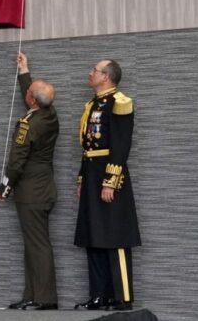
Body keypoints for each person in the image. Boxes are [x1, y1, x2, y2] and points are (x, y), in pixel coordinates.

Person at [74, 59, 141, 311]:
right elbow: (88, 147)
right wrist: (83, 178)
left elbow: (121, 146)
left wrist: (110, 182)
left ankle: (122, 297)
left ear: (107, 77)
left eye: (94, 70)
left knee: (115, 237)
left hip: (110, 177)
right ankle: (99, 295)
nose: (90, 73)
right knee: (93, 236)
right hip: (92, 175)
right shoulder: (93, 104)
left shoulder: (120, 102)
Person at [0, 51, 59, 311]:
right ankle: (32, 294)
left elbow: (17, 161)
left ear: (31, 100)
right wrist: (25, 72)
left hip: (30, 193)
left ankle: (45, 299)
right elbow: (35, 97)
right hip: (44, 190)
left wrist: (5, 187)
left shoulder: (27, 125)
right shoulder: (50, 114)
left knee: (38, 246)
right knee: (34, 245)